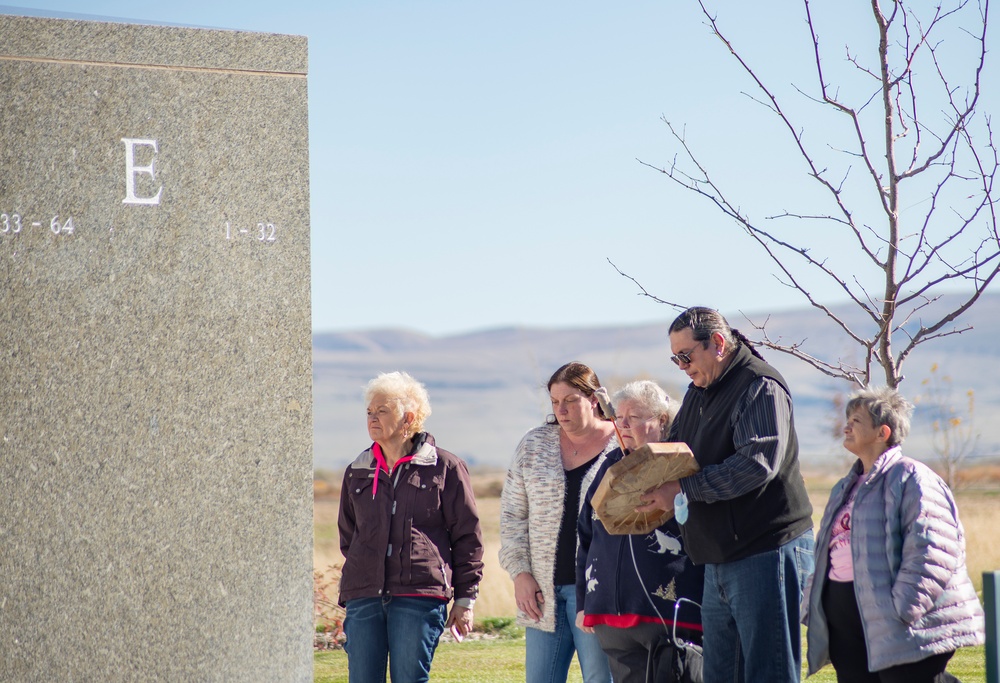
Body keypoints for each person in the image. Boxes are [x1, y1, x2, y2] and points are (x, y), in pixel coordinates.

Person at [638, 306, 815, 683]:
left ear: (718, 343)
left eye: (686, 355)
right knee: (721, 674)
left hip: (765, 550)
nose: (682, 366)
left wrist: (683, 489)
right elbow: (675, 449)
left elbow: (755, 464)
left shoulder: (759, 385)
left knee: (769, 672)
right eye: (675, 358)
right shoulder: (699, 391)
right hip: (718, 555)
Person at [803, 386, 985, 682]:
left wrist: (902, 609)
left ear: (882, 432)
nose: (846, 426)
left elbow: (932, 552)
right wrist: (815, 601)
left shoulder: (912, 477)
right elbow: (826, 548)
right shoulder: (844, 486)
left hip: (900, 624)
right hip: (847, 626)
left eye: (856, 421)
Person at [338, 371, 484, 683]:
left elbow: (467, 537)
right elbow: (349, 537)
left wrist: (465, 599)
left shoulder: (445, 468)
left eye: (382, 411)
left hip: (419, 595)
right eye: (369, 412)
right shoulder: (357, 471)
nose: (373, 418)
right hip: (364, 595)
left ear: (409, 418)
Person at [576, 380, 705, 683]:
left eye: (632, 418)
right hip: (610, 610)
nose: (622, 425)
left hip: (666, 609)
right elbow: (586, 536)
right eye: (618, 418)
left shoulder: (680, 464)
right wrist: (584, 602)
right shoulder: (611, 465)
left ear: (661, 420)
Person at [500, 362, 616, 683]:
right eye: (554, 402)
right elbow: (512, 516)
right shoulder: (534, 444)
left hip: (598, 591)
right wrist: (520, 573)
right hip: (541, 595)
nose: (561, 410)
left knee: (600, 678)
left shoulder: (621, 445)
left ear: (594, 399)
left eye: (570, 400)